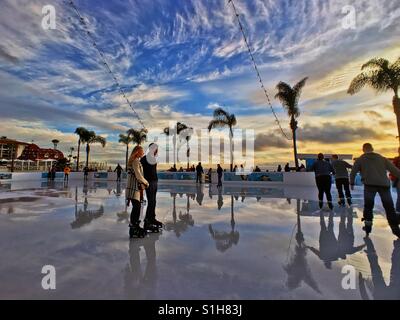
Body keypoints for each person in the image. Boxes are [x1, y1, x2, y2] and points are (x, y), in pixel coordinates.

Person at [350, 143, 400, 237]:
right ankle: (395, 229)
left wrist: (352, 183)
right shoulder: (381, 158)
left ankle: (368, 227)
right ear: (372, 149)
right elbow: (394, 170)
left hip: (370, 185)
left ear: (363, 149)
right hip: (384, 185)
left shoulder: (360, 159)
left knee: (368, 206)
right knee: (389, 207)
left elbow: (353, 172)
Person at [126, 145, 150, 238]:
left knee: (136, 207)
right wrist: (146, 182)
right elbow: (138, 175)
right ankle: (133, 228)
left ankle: (134, 226)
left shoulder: (135, 161)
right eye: (141, 150)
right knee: (136, 207)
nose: (143, 152)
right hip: (134, 189)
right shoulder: (136, 161)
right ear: (137, 152)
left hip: (133, 188)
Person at [141, 143, 163, 230]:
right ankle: (147, 221)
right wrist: (143, 183)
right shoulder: (144, 158)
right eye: (156, 149)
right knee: (151, 201)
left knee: (153, 201)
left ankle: (152, 218)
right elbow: (140, 171)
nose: (157, 151)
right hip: (149, 182)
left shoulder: (153, 158)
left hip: (154, 181)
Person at [390, 147, 400, 213]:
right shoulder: (396, 159)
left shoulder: (396, 159)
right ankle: (398, 211)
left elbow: (392, 170)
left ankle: (398, 211)